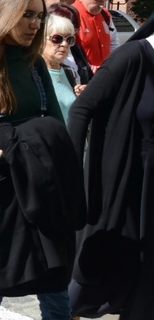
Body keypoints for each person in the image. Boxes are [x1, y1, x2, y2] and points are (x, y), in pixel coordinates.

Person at [0, 0, 81, 319]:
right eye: (27, 14)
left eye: (40, 16)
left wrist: (16, 137)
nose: (35, 24)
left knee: (56, 291)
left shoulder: (36, 65)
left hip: (43, 192)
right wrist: (37, 132)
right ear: (4, 13)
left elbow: (58, 132)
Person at [66, 16, 154, 319]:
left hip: (150, 185)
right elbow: (81, 109)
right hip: (123, 179)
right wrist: (73, 174)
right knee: (98, 266)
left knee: (145, 272)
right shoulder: (132, 56)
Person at [41, 14, 83, 122]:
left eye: (69, 39)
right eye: (57, 38)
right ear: (41, 41)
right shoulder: (33, 72)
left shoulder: (70, 71)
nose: (64, 44)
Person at [72, 0, 118, 72]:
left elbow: (114, 42)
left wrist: (113, 65)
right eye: (98, 1)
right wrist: (88, 68)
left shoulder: (105, 15)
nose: (102, 5)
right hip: (80, 77)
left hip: (104, 75)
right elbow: (64, 51)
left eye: (105, 1)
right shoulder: (70, 15)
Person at [47, 2, 93, 85]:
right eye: (58, 38)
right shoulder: (34, 70)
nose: (64, 43)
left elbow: (88, 78)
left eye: (74, 30)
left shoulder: (76, 49)